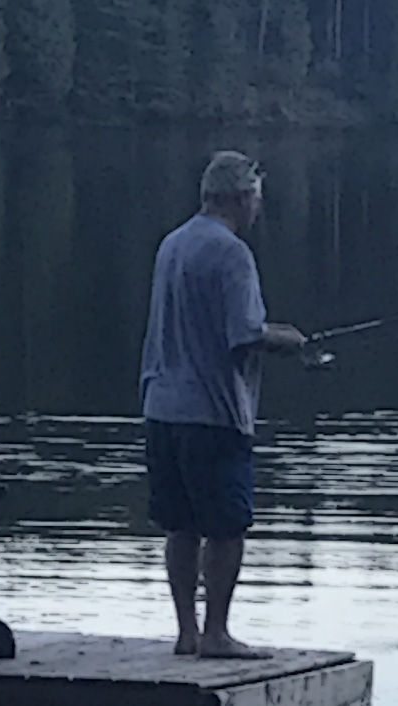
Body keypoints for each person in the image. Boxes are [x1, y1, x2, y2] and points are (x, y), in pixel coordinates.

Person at [138, 150, 307, 659]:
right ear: (240, 198)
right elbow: (243, 336)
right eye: (256, 198)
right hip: (212, 413)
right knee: (226, 527)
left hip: (161, 407)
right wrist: (290, 341)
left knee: (180, 525)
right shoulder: (232, 254)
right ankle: (217, 633)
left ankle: (186, 632)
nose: (258, 208)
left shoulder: (172, 244)